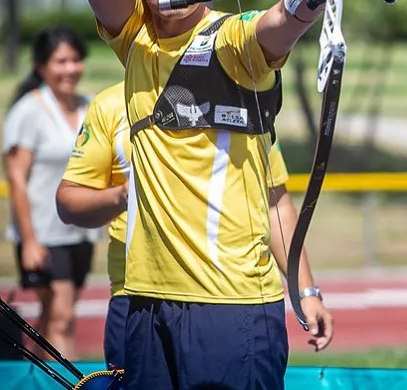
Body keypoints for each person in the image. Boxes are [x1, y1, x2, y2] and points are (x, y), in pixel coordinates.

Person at [74, 0, 364, 389]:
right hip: (146, 299)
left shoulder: (233, 40)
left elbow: (283, 18)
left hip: (231, 306)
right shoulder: (135, 37)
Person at [55, 80, 332, 371]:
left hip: (229, 298)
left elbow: (275, 204)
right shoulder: (112, 104)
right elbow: (69, 202)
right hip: (139, 299)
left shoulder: (242, 99)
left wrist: (306, 292)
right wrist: (123, 195)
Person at [2, 25, 97, 360]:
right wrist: (28, 239)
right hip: (43, 233)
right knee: (62, 317)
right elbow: (16, 178)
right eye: (60, 61)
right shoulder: (28, 111)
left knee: (54, 318)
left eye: (75, 60)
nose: (69, 69)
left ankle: (37, 378)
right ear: (41, 66)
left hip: (82, 232)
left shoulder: (90, 107)